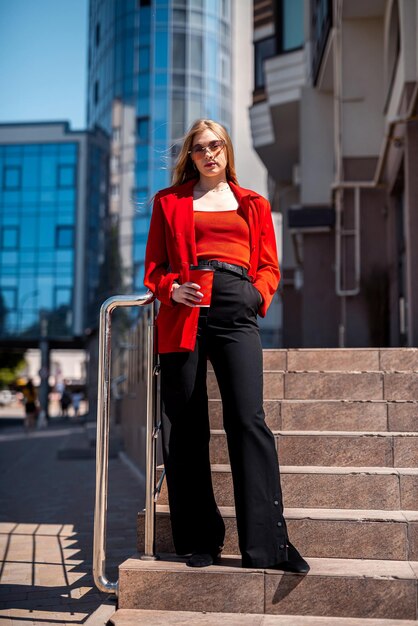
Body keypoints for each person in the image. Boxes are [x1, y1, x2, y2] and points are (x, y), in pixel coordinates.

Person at [144, 119, 309, 573]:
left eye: (215, 145)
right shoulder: (169, 202)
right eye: (199, 148)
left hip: (237, 305)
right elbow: (155, 265)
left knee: (247, 420)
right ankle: (199, 540)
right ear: (190, 157)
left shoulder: (252, 202)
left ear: (227, 150)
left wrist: (256, 295)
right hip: (185, 309)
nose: (209, 153)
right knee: (186, 424)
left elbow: (270, 266)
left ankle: (267, 546)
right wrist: (169, 289)